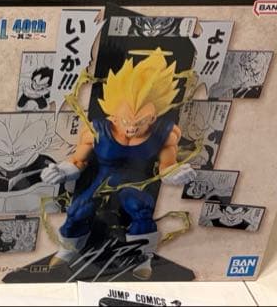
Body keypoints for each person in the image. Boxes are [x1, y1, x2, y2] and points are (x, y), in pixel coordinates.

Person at [41, 50, 196, 279]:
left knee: (141, 211)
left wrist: (174, 174)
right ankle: (68, 249)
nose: (132, 128)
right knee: (79, 210)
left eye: (140, 122)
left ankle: (142, 257)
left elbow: (167, 167)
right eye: (126, 121)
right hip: (102, 179)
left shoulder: (165, 134)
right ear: (113, 116)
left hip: (136, 182)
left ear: (153, 117)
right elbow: (78, 161)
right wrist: (61, 171)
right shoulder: (96, 130)